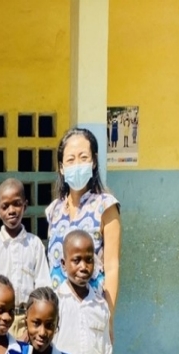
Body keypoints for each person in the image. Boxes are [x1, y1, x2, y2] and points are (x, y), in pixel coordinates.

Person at [45, 128, 121, 326]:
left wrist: (109, 319)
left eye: (83, 157)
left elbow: (112, 267)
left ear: (94, 162)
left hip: (92, 314)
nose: (77, 165)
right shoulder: (54, 210)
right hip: (57, 318)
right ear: (61, 167)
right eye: (70, 160)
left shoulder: (106, 207)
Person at [0, 178, 51, 339]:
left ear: (25, 206)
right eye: (5, 207)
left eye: (16, 204)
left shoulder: (35, 244)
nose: (11, 210)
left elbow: (42, 286)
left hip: (27, 320)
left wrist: (32, 325)